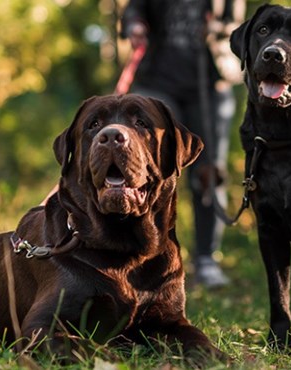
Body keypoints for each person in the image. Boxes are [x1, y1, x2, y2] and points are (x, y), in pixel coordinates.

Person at [120, 0, 244, 288]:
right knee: (145, 170)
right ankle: (141, 256)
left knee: (208, 173)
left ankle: (206, 259)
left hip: (210, 83)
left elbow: (234, 23)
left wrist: (214, 28)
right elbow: (134, 8)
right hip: (157, 82)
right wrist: (134, 26)